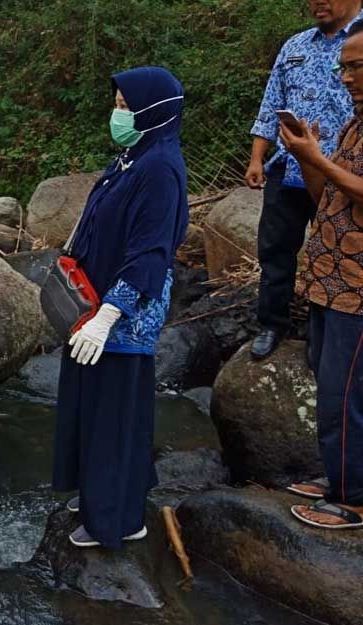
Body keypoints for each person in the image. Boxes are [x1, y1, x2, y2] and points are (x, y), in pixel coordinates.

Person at [52, 67, 189, 549]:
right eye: (117, 105)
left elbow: (150, 252)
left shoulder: (161, 170)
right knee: (90, 404)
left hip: (123, 316)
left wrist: (109, 317)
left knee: (116, 412)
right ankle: (96, 490)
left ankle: (118, 517)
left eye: (126, 107)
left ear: (153, 111)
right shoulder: (133, 157)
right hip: (92, 303)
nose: (118, 114)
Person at [278, 21, 363, 530]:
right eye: (344, 67)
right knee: (329, 385)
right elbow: (326, 197)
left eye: (356, 68)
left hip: (357, 290)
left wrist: (319, 161)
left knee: (346, 394)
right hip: (327, 282)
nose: (347, 77)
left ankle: (352, 500)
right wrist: (306, 157)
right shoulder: (355, 123)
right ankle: (337, 475)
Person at [245, 0, 363, 361]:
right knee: (276, 248)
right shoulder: (296, 45)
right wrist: (257, 157)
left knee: (332, 252)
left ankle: (323, 332)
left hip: (342, 170)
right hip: (290, 166)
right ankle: (272, 324)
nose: (317, 3)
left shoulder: (360, 42)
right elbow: (272, 102)